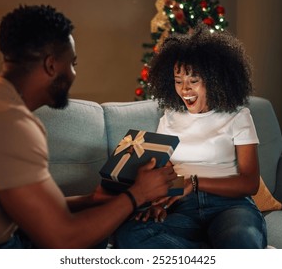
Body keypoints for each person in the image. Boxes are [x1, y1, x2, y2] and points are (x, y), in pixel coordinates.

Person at [0, 4, 177, 249]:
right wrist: (138, 193)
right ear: (51, 65)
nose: (74, 73)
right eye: (72, 63)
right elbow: (63, 238)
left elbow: (27, 208)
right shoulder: (9, 123)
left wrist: (91, 200)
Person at [114, 24, 267, 249]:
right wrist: (160, 204)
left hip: (230, 207)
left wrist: (194, 182)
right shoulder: (169, 118)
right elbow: (167, 173)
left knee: (241, 238)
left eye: (193, 81)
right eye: (178, 81)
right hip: (183, 209)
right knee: (129, 235)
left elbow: (249, 183)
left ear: (214, 80)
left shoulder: (238, 116)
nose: (184, 89)